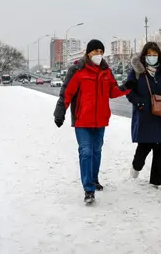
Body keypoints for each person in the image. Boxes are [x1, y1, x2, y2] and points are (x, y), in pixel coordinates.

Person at [53, 39, 134, 203]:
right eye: (95, 51)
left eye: (101, 51)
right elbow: (66, 93)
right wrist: (60, 113)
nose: (98, 54)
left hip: (100, 120)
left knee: (96, 152)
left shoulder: (106, 71)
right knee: (86, 152)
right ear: (88, 53)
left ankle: (94, 179)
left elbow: (113, 91)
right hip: (82, 121)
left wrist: (127, 86)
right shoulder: (77, 70)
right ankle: (88, 190)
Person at [125, 42, 161, 189]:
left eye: (155, 55)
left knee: (160, 147)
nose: (152, 57)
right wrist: (140, 103)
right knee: (144, 146)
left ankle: (157, 179)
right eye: (149, 55)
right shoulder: (136, 72)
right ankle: (136, 165)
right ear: (144, 56)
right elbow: (129, 91)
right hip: (144, 114)